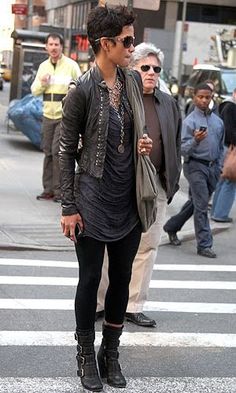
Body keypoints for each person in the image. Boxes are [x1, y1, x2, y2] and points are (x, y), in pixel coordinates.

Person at [59, 5, 153, 392]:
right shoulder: (81, 89)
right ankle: (85, 355)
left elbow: (133, 133)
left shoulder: (131, 81)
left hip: (128, 199)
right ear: (106, 43)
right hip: (93, 199)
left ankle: (110, 353)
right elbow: (65, 150)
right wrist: (68, 206)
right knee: (91, 278)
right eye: (127, 41)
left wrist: (141, 143)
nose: (132, 48)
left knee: (123, 279)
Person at [96, 42, 182, 328]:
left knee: (148, 246)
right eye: (145, 67)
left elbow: (175, 142)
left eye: (156, 69)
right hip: (121, 183)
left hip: (156, 184)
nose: (151, 73)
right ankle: (101, 302)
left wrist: (171, 183)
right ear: (132, 68)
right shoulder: (117, 97)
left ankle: (133, 305)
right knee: (112, 244)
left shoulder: (168, 103)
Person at [164, 83, 224, 258]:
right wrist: (196, 141)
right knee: (202, 205)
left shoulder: (218, 122)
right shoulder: (189, 122)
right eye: (201, 97)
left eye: (207, 97)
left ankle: (171, 226)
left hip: (213, 169)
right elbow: (181, 149)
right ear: (194, 96)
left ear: (212, 97)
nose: (204, 100)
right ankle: (204, 244)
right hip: (195, 166)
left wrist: (219, 167)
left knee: (197, 203)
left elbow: (221, 147)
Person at [31, 33, 81, 203]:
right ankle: (48, 190)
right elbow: (34, 91)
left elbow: (81, 89)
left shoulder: (71, 66)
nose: (53, 47)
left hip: (64, 117)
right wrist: (43, 83)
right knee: (47, 152)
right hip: (47, 115)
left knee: (57, 152)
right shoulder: (43, 67)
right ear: (46, 47)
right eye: (50, 44)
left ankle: (61, 192)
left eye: (56, 44)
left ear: (61, 46)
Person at [211, 88, 236, 222]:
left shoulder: (227, 106)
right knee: (230, 181)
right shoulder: (230, 107)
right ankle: (220, 214)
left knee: (224, 180)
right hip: (230, 149)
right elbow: (229, 131)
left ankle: (217, 212)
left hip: (227, 148)